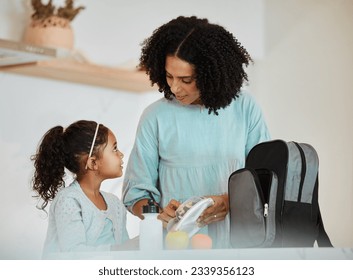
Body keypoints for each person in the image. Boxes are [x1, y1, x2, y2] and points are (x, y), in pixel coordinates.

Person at [122, 16, 271, 248]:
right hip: (175, 248)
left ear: (211, 73)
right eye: (169, 76)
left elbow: (265, 179)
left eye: (186, 79)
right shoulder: (155, 116)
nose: (174, 87)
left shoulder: (245, 108)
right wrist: (157, 213)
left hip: (239, 245)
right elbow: (136, 193)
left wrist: (229, 201)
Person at [31, 120, 130, 256]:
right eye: (114, 149)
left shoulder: (115, 204)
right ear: (93, 162)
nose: (121, 154)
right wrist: (126, 248)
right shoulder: (69, 200)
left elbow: (127, 253)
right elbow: (74, 254)